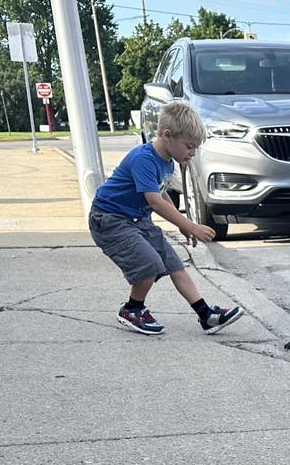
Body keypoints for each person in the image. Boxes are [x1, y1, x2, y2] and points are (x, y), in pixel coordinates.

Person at [89, 100, 241, 336]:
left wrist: (182, 227)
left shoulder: (168, 161)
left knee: (174, 264)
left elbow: (159, 192)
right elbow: (155, 202)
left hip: (138, 220)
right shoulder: (144, 158)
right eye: (189, 146)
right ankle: (132, 309)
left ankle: (206, 315)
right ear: (168, 136)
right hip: (110, 220)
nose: (193, 153)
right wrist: (190, 224)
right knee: (149, 265)